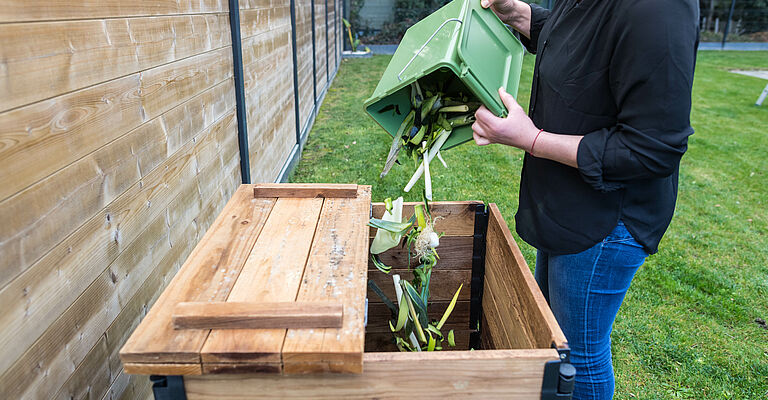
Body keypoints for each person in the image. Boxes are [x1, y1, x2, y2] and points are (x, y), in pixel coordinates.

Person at [471, 0, 699, 398]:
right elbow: (578, 41)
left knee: (577, 359)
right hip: (566, 204)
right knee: (553, 343)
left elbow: (652, 149)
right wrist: (520, 14)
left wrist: (532, 140)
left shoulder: (660, 9)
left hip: (605, 221)